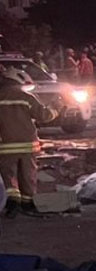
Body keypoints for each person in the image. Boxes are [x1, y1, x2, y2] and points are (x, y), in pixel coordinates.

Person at [0, 67, 55, 216]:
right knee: (28, 174)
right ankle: (28, 203)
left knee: (9, 175)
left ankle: (12, 204)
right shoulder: (26, 97)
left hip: (5, 145)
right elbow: (43, 115)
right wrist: (55, 109)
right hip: (28, 145)